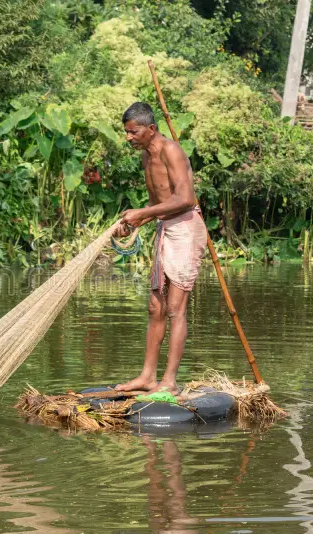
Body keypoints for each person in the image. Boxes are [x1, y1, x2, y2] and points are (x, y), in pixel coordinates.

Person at [114, 102, 208, 395]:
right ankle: (147, 377)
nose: (129, 137)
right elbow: (157, 203)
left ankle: (169, 381)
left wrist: (143, 213)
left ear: (151, 129)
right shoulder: (145, 156)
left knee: (176, 309)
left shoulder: (171, 151)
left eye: (134, 132)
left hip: (185, 228)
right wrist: (134, 222)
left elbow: (186, 197)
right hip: (165, 228)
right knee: (156, 307)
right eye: (127, 132)